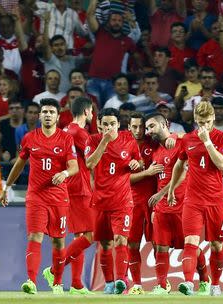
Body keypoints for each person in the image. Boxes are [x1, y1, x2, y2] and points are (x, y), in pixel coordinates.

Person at [0, 98, 79, 295]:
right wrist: (7, 186)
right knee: (35, 235)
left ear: (58, 116)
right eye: (45, 112)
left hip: (59, 197)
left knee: (59, 241)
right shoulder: (29, 138)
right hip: (36, 196)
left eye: (52, 112)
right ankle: (31, 281)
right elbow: (19, 164)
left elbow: (74, 166)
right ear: (39, 115)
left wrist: (65, 174)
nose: (48, 115)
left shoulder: (66, 139)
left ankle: (58, 282)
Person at [168, 101, 223, 296]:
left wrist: (207, 142)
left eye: (209, 121)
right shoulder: (187, 139)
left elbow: (221, 164)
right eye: (201, 122)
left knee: (216, 244)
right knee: (190, 242)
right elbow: (179, 165)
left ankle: (215, 284)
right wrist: (171, 189)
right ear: (195, 120)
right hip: (193, 199)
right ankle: (188, 283)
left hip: (216, 199)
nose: (205, 126)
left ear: (213, 119)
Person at [145, 113, 210, 295]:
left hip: (183, 204)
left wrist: (161, 194)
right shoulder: (155, 151)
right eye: (147, 128)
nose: (149, 131)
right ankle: (162, 285)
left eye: (152, 126)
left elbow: (183, 174)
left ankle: (204, 279)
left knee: (191, 247)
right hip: (162, 208)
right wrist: (156, 204)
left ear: (165, 124)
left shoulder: (181, 142)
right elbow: (159, 179)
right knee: (160, 247)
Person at [42, 97, 95, 294]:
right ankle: (54, 269)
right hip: (79, 188)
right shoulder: (79, 133)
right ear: (88, 111)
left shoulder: (66, 130)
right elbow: (92, 161)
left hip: (69, 187)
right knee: (91, 234)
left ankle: (76, 283)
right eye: (92, 112)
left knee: (79, 235)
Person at [85, 108, 141, 294]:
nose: (108, 127)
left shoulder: (128, 139)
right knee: (106, 243)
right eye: (105, 124)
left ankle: (121, 281)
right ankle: (109, 283)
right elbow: (89, 164)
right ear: (99, 124)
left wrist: (136, 164)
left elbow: (138, 161)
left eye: (112, 124)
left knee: (120, 240)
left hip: (123, 201)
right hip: (100, 201)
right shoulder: (92, 140)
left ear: (119, 124)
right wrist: (104, 141)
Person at [127, 112, 161, 295]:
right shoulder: (123, 146)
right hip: (132, 202)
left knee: (158, 243)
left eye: (141, 126)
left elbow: (171, 135)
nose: (138, 130)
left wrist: (171, 138)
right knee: (132, 244)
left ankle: (161, 283)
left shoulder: (153, 142)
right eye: (134, 126)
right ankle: (137, 284)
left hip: (154, 200)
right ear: (128, 127)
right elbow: (124, 179)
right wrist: (147, 173)